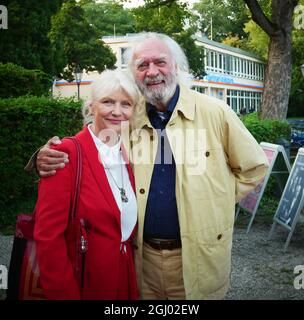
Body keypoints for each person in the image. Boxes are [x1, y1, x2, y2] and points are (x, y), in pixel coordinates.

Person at [31, 32, 269, 300]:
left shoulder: (216, 112)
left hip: (197, 260)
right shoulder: (130, 115)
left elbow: (254, 167)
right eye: (142, 65)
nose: (152, 71)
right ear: (134, 73)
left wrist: (216, 200)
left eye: (160, 62)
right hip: (140, 263)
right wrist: (47, 155)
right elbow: (91, 145)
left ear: (176, 66)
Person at [33, 69, 142, 300]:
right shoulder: (66, 152)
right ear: (91, 106)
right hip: (85, 283)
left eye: (126, 104)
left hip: (124, 279)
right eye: (108, 102)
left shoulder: (129, 151)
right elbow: (48, 237)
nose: (117, 111)